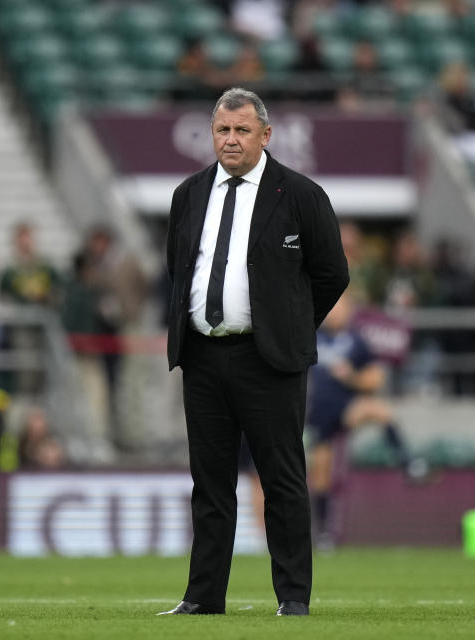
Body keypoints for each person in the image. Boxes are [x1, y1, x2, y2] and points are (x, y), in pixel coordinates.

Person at [160, 88, 349, 617]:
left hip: (270, 361)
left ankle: (293, 597)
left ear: (266, 136)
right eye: (223, 129)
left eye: (242, 130)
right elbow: (180, 271)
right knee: (210, 484)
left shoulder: (301, 194)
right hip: (202, 356)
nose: (231, 139)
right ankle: (202, 598)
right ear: (211, 132)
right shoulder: (189, 194)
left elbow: (333, 274)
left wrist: (287, 328)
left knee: (283, 480)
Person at [306, 294, 427, 550]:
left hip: (346, 406)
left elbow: (376, 379)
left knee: (379, 410)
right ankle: (324, 533)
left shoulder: (357, 341)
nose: (334, 312)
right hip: (317, 412)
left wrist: (351, 377)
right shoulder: (311, 336)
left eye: (340, 307)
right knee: (321, 473)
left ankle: (407, 463)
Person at [0, 222, 60, 307]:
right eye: (21, 240)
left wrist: (48, 297)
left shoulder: (46, 267)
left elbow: (58, 290)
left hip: (43, 314)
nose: (25, 243)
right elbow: (3, 297)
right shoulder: (9, 272)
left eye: (28, 238)